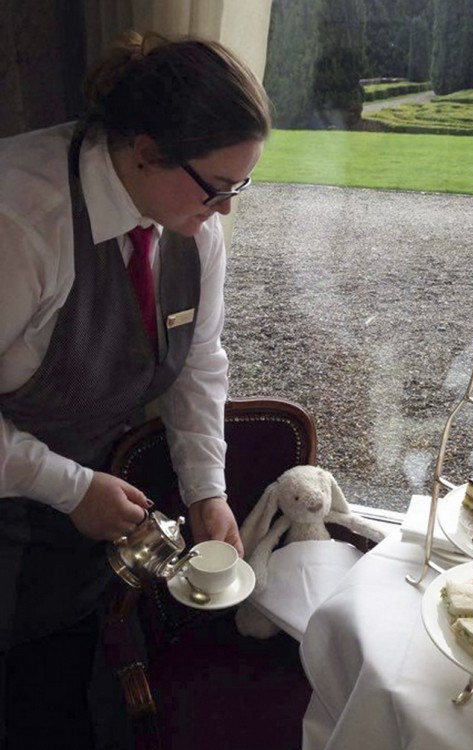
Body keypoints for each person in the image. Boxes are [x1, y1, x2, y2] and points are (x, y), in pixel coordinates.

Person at [0, 30, 271, 748]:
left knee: (63, 693)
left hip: (76, 518)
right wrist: (67, 486)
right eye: (217, 187)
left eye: (240, 185)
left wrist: (206, 489)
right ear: (144, 147)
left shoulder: (188, 219)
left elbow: (199, 360)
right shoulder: (19, 219)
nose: (226, 211)